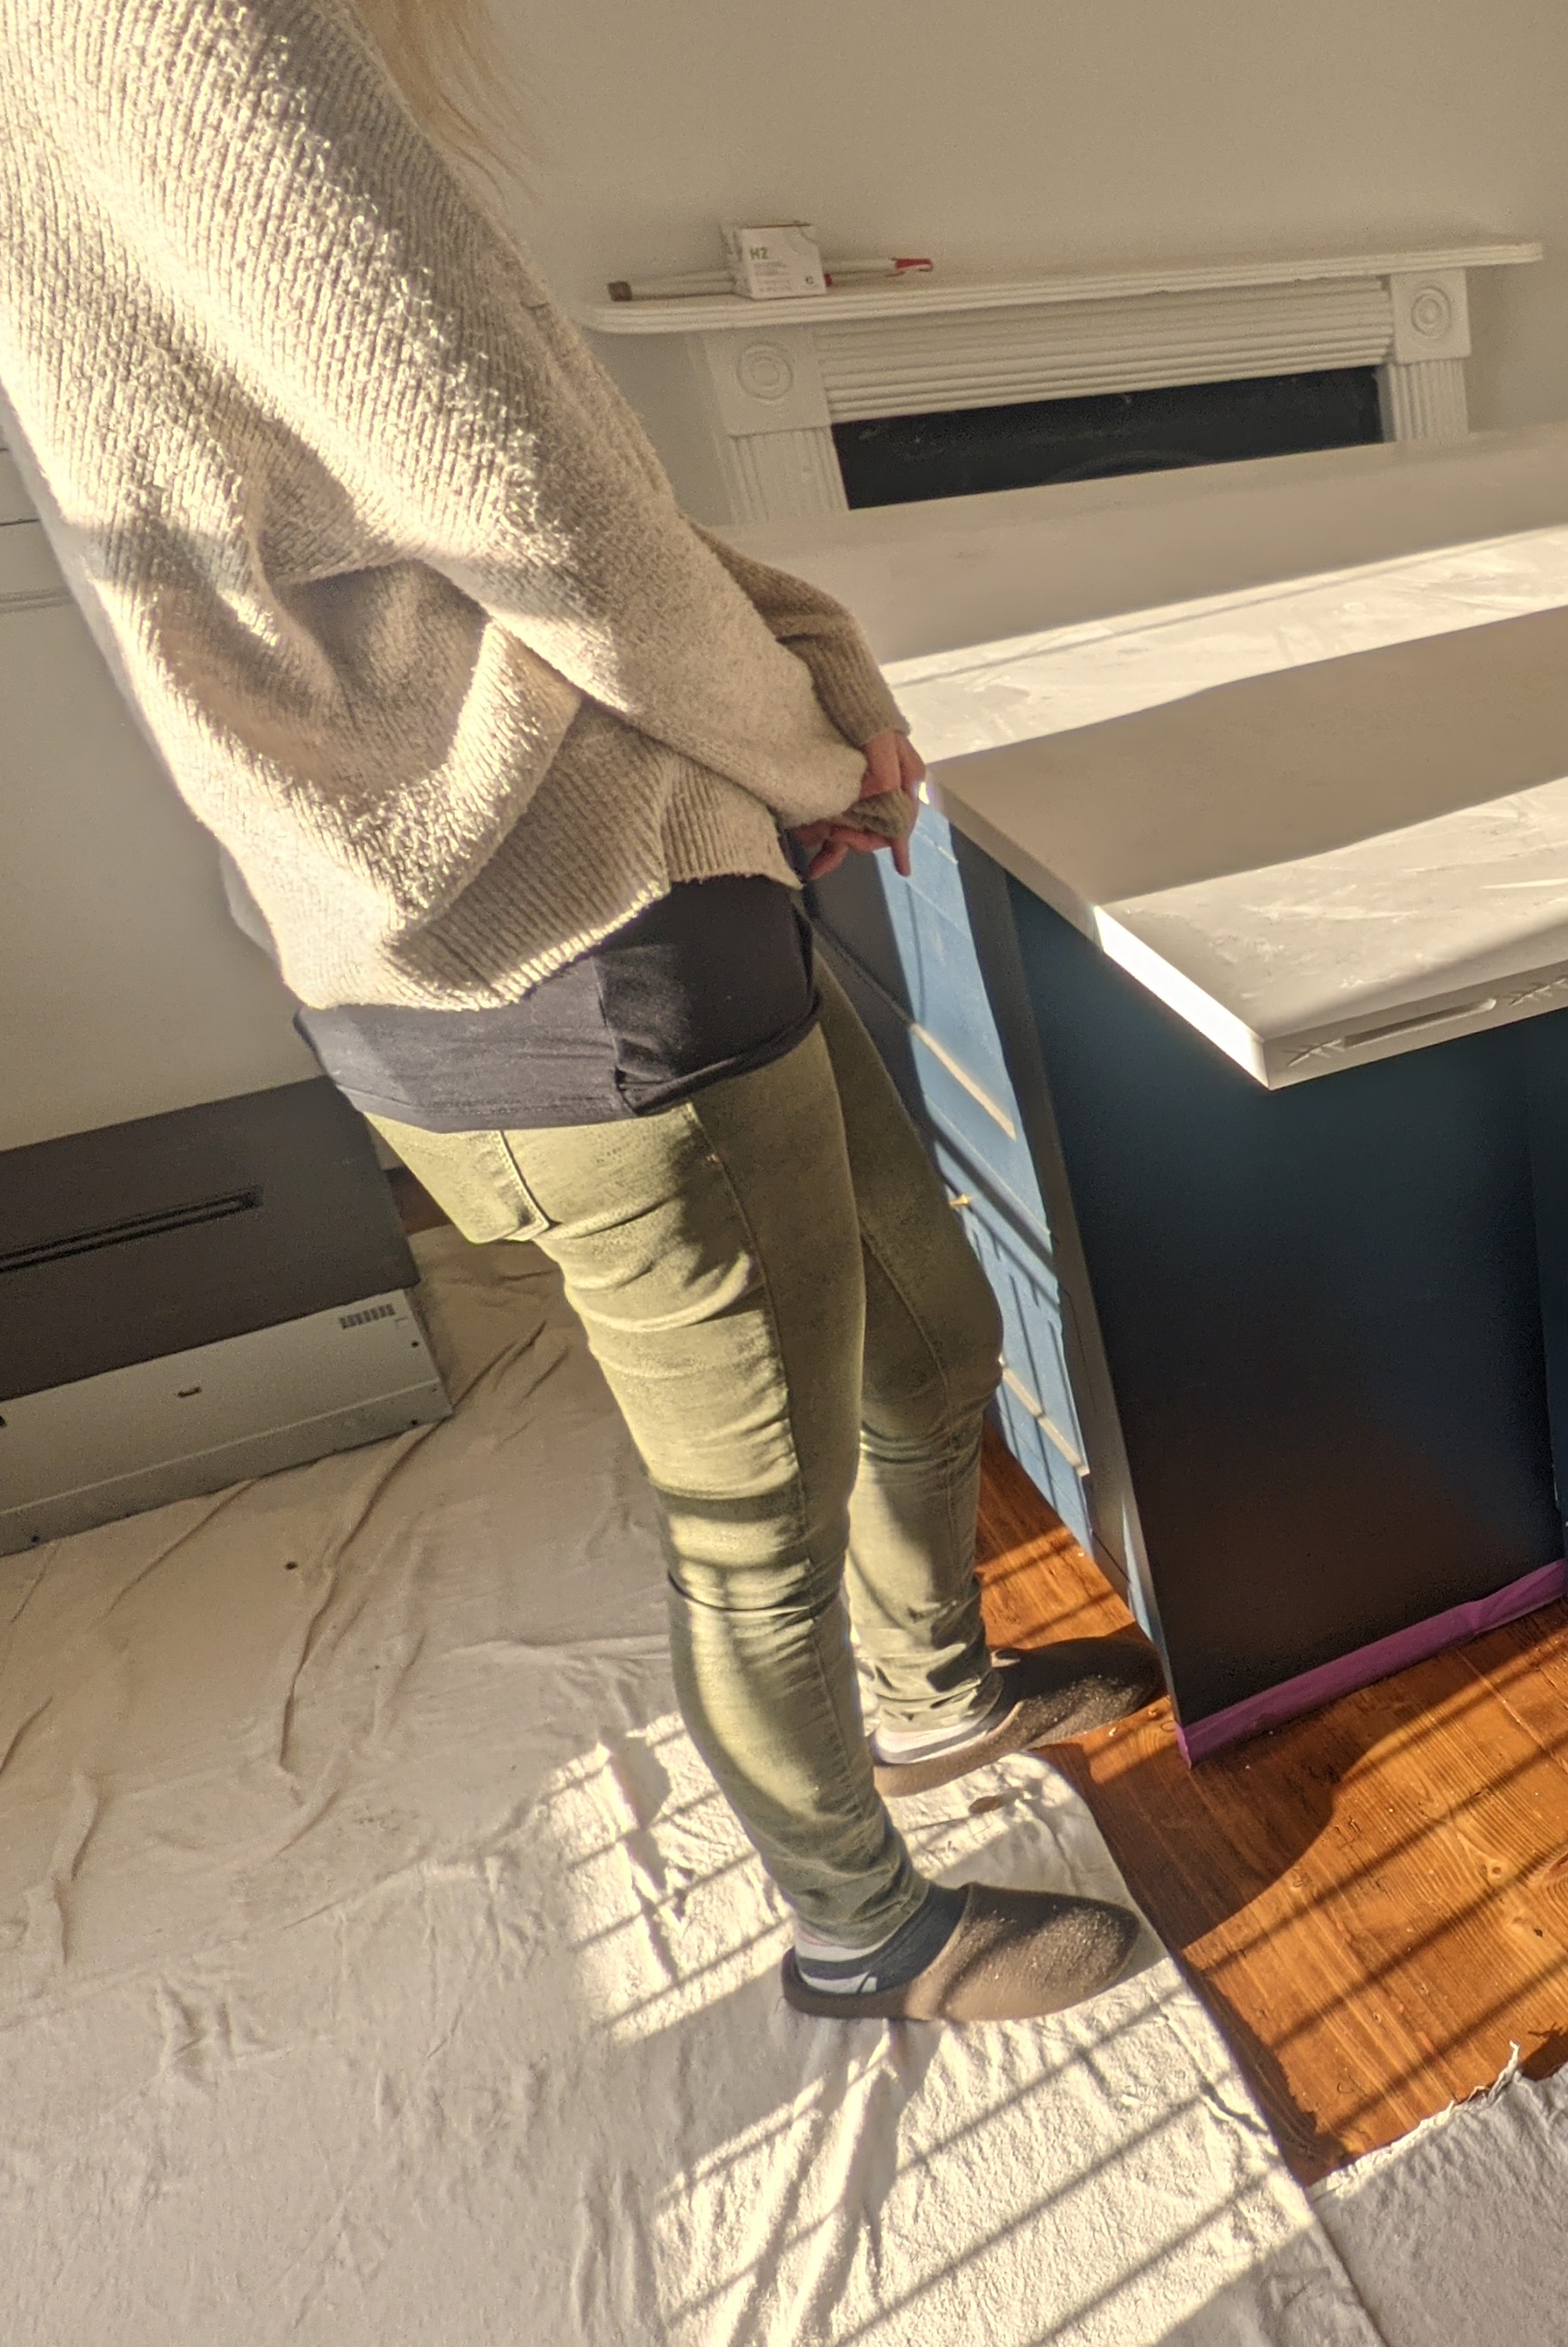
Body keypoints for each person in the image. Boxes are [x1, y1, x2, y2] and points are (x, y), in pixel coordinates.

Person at [0, 0, 1160, 2024]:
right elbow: (524, 495)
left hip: (640, 879)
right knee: (758, 1516)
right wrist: (814, 748)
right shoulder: (172, 21)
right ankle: (857, 1930)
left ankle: (934, 1695)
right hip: (562, 938)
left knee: (928, 1330)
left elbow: (533, 474)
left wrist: (797, 702)